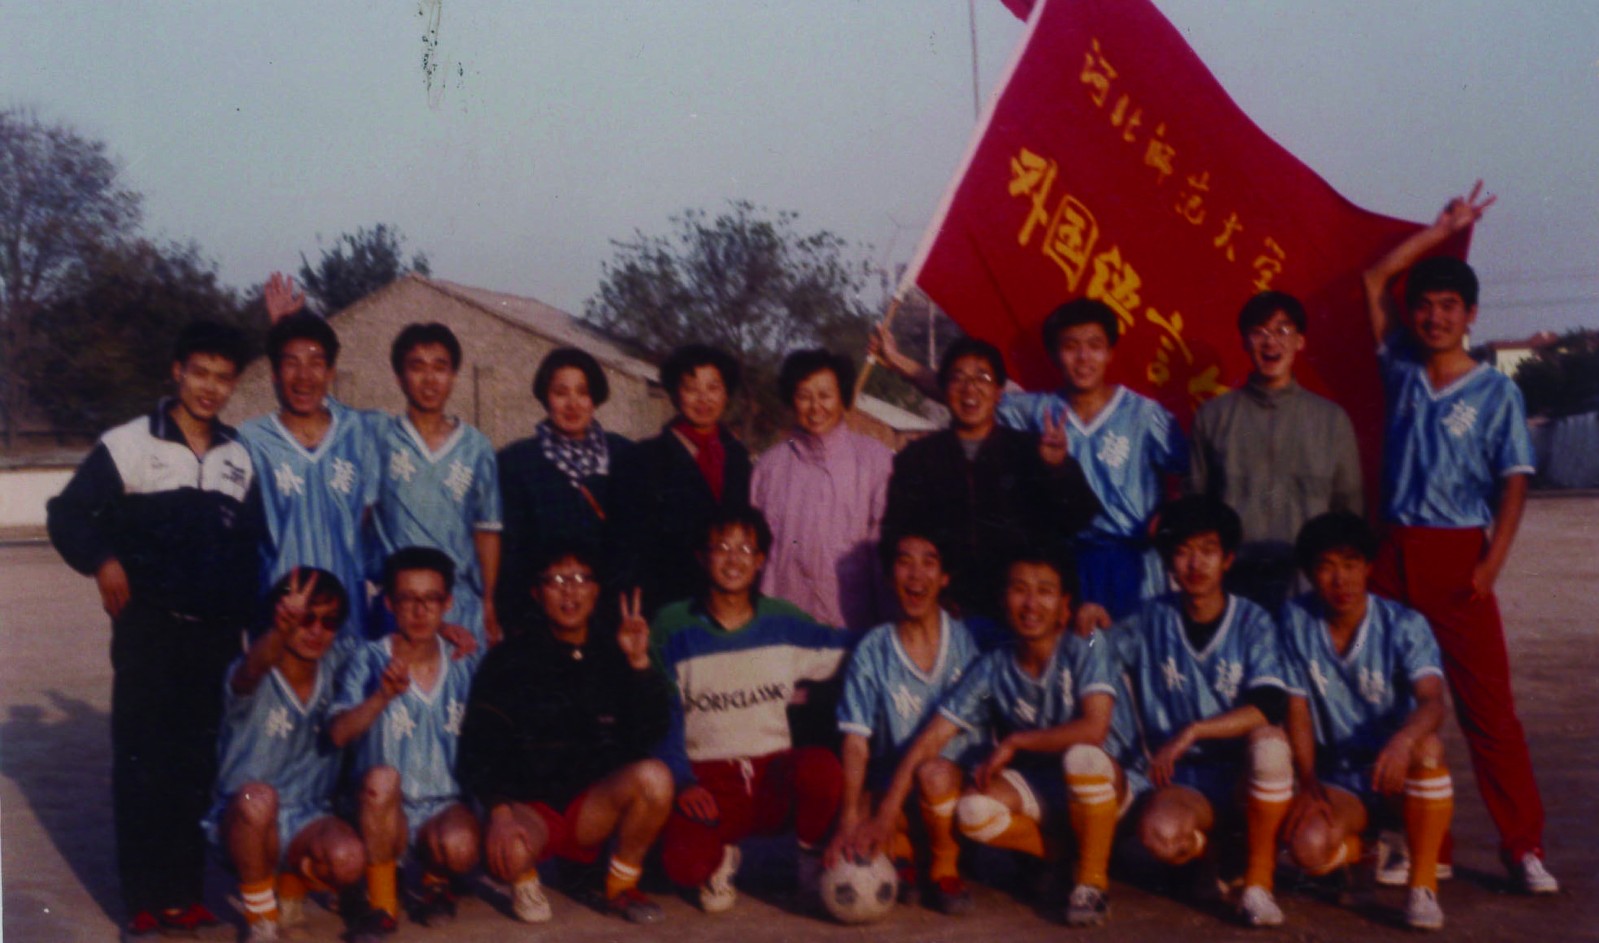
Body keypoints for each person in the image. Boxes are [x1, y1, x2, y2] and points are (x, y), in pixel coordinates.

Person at [1360, 183, 1556, 894]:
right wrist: (1441, 230)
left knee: (1487, 712)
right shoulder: (1400, 368)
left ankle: (1522, 846)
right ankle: (1421, 841)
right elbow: (1374, 279)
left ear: (1470, 315)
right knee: (1392, 700)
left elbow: (1513, 482)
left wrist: (1490, 564)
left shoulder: (1496, 392)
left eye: (1449, 305)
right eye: (1425, 305)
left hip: (1458, 554)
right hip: (1393, 553)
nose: (1435, 316)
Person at [47, 320, 261, 939]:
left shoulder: (239, 458)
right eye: (200, 373)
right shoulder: (129, 444)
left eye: (223, 378)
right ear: (177, 371)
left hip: (213, 638)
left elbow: (249, 550)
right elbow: (67, 514)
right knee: (144, 763)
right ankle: (144, 900)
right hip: (148, 632)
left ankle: (184, 896)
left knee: (195, 766)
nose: (210, 388)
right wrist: (103, 560)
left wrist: (248, 629)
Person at [842, 546, 1127, 928]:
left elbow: (1095, 728)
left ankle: (1091, 883)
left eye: (1044, 591)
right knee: (972, 811)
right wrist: (886, 813)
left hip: (1105, 785)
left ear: (1064, 604)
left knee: (1082, 756)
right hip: (1042, 787)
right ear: (1003, 599)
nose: (1031, 603)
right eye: (1019, 589)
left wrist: (1015, 742)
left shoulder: (1087, 642)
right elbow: (932, 737)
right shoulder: (993, 665)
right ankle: (1060, 853)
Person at [873, 299, 1186, 618]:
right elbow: (968, 396)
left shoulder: (1144, 415)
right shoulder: (1037, 410)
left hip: (1131, 562)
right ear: (1055, 355)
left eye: (1094, 346)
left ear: (1110, 353)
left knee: (1137, 642)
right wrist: (898, 362)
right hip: (1067, 562)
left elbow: (1191, 471)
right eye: (1071, 347)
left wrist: (1167, 519)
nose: (1083, 358)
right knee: (1082, 643)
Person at [1080, 495, 1294, 928]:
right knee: (1158, 835)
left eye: (1208, 551)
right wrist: (1087, 626)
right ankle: (1218, 854)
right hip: (1182, 780)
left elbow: (1269, 704)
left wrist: (1194, 731)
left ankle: (1258, 883)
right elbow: (1096, 656)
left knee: (1270, 744)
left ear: (1228, 559)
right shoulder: (1151, 617)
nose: (1195, 564)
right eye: (1183, 551)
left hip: (1242, 774)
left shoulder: (1253, 621)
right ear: (1169, 562)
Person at [458, 542, 675, 926]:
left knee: (655, 779)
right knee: (510, 854)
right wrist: (500, 813)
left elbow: (652, 730)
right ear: (537, 592)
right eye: (556, 581)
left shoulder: (614, 650)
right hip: (532, 811)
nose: (570, 591)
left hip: (589, 810)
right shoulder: (509, 658)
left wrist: (639, 663)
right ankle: (525, 879)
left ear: (596, 590)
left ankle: (620, 887)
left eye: (580, 579)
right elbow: (480, 744)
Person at [651, 507, 850, 913]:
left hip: (770, 777)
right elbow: (660, 714)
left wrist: (912, 631)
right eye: (721, 548)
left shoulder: (783, 621)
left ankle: (807, 861)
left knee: (821, 769)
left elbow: (851, 648)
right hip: (708, 781)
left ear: (760, 560)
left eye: (745, 549)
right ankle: (723, 855)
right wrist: (682, 781)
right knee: (683, 867)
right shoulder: (672, 625)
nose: (733, 560)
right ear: (702, 556)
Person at [1278, 512, 1453, 931]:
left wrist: (1402, 741)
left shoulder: (1404, 624)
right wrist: (1308, 781)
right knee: (1307, 849)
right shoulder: (1295, 620)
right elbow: (1296, 707)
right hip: (1340, 777)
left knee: (1428, 748)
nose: (1341, 580)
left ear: (1368, 567)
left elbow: (1433, 701)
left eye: (1351, 564)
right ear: (1309, 574)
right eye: (1326, 566)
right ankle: (1366, 850)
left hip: (1394, 771)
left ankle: (1422, 886)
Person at [882, 337, 1100, 627]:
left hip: (1023, 616)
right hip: (947, 614)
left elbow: (1079, 518)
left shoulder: (1030, 450)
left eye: (982, 378)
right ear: (944, 390)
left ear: (998, 392)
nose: (970, 389)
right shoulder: (918, 458)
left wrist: (1058, 469)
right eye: (958, 378)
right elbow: (895, 536)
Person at [826, 530, 985, 914]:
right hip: (896, 791)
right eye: (904, 561)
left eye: (929, 562)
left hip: (952, 791)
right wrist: (849, 819)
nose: (916, 575)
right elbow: (856, 741)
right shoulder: (873, 649)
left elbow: (933, 740)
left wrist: (1089, 615)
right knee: (849, 812)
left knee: (934, 774)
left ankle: (944, 863)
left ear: (945, 577)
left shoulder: (969, 642)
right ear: (888, 574)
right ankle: (906, 853)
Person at [205, 569, 367, 943]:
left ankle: (292, 883)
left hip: (307, 817)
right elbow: (251, 670)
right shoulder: (254, 669)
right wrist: (281, 630)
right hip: (245, 816)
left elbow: (390, 647)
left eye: (329, 621)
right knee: (258, 799)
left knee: (348, 858)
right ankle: (262, 918)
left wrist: (443, 631)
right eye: (304, 620)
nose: (316, 631)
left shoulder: (336, 664)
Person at [329, 548, 485, 935]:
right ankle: (382, 903)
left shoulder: (463, 662)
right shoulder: (368, 659)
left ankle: (436, 882)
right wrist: (381, 697)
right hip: (384, 811)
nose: (420, 611)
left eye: (431, 599)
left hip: (443, 806)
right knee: (381, 780)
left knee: (462, 847)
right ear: (389, 603)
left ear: (447, 604)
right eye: (407, 599)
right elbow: (337, 733)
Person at [1188, 291, 1363, 611]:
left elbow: (1348, 512)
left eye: (1283, 330)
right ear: (1244, 342)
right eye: (1259, 332)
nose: (1271, 343)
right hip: (1234, 582)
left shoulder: (1331, 420)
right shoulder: (1213, 417)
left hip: (1308, 583)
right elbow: (1197, 508)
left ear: (1300, 341)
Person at [240, 274, 380, 646]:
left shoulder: (359, 433)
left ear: (331, 372)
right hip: (278, 616)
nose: (304, 376)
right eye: (291, 363)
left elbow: (367, 521)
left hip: (346, 618)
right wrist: (281, 331)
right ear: (273, 373)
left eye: (316, 363)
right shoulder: (251, 441)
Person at [369, 323, 503, 648]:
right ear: (400, 377)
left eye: (440, 368)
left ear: (453, 376)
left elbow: (486, 530)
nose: (429, 379)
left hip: (458, 602)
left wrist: (489, 600)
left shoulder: (476, 447)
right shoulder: (379, 437)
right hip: (399, 605)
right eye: (417, 367)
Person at [750, 348, 893, 631]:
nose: (815, 407)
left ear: (843, 397)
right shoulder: (769, 467)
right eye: (804, 396)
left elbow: (885, 552)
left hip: (852, 624)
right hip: (782, 624)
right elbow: (755, 553)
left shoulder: (876, 461)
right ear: (791, 400)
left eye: (825, 395)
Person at [609, 344, 752, 616]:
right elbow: (626, 547)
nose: (703, 398)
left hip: (727, 601)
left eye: (713, 388)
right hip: (665, 602)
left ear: (726, 394)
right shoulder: (641, 458)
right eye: (691, 388)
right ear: (675, 394)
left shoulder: (737, 457)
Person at [496, 347, 632, 632]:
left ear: (595, 399)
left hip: (611, 614)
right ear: (545, 398)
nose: (573, 404)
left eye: (582, 392)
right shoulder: (516, 462)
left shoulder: (624, 455)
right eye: (560, 393)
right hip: (540, 616)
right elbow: (511, 555)